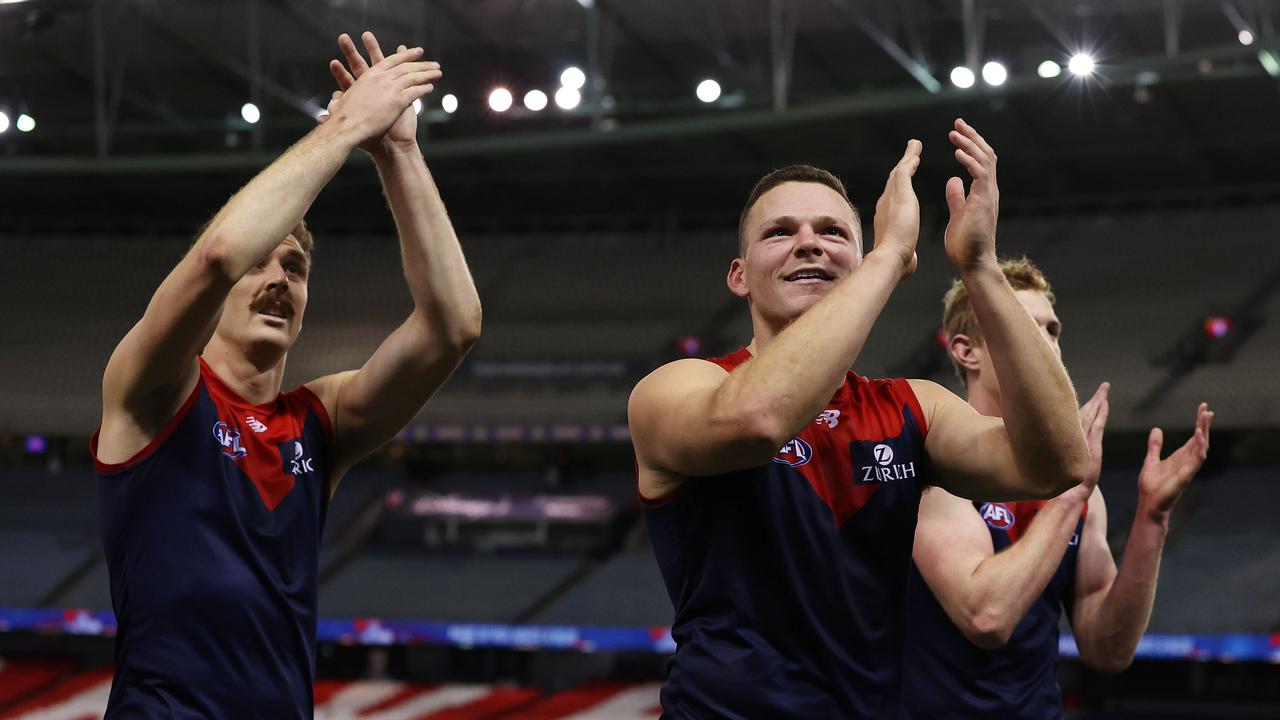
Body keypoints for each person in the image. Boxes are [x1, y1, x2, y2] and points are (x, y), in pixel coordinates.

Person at [628, 119, 1094, 719]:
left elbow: (1058, 464)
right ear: (738, 276)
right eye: (780, 232)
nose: (809, 243)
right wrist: (889, 254)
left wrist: (980, 268)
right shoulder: (679, 386)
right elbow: (759, 419)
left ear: (853, 260)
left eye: (832, 232)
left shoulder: (913, 406)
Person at [91, 32, 481, 718]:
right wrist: (345, 127)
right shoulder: (152, 390)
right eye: (263, 263)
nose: (279, 280)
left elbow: (453, 327)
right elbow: (216, 255)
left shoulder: (318, 422)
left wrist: (398, 153)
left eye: (296, 268)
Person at [902, 257, 1213, 719]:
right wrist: (1071, 497)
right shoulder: (931, 466)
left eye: (1051, 331)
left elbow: (1106, 651)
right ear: (967, 351)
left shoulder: (1078, 493)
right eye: (1025, 327)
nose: (1046, 344)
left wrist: (1152, 517)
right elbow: (986, 616)